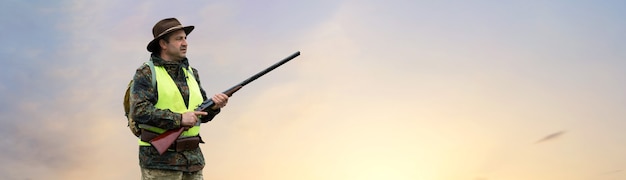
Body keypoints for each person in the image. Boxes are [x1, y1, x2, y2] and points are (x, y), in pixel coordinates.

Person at [130, 17, 229, 180]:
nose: (185, 43)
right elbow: (139, 111)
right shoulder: (146, 73)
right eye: (179, 39)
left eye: (185, 38)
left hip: (193, 162)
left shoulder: (191, 73)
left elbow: (201, 115)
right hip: (160, 164)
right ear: (163, 44)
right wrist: (179, 119)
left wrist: (215, 107)